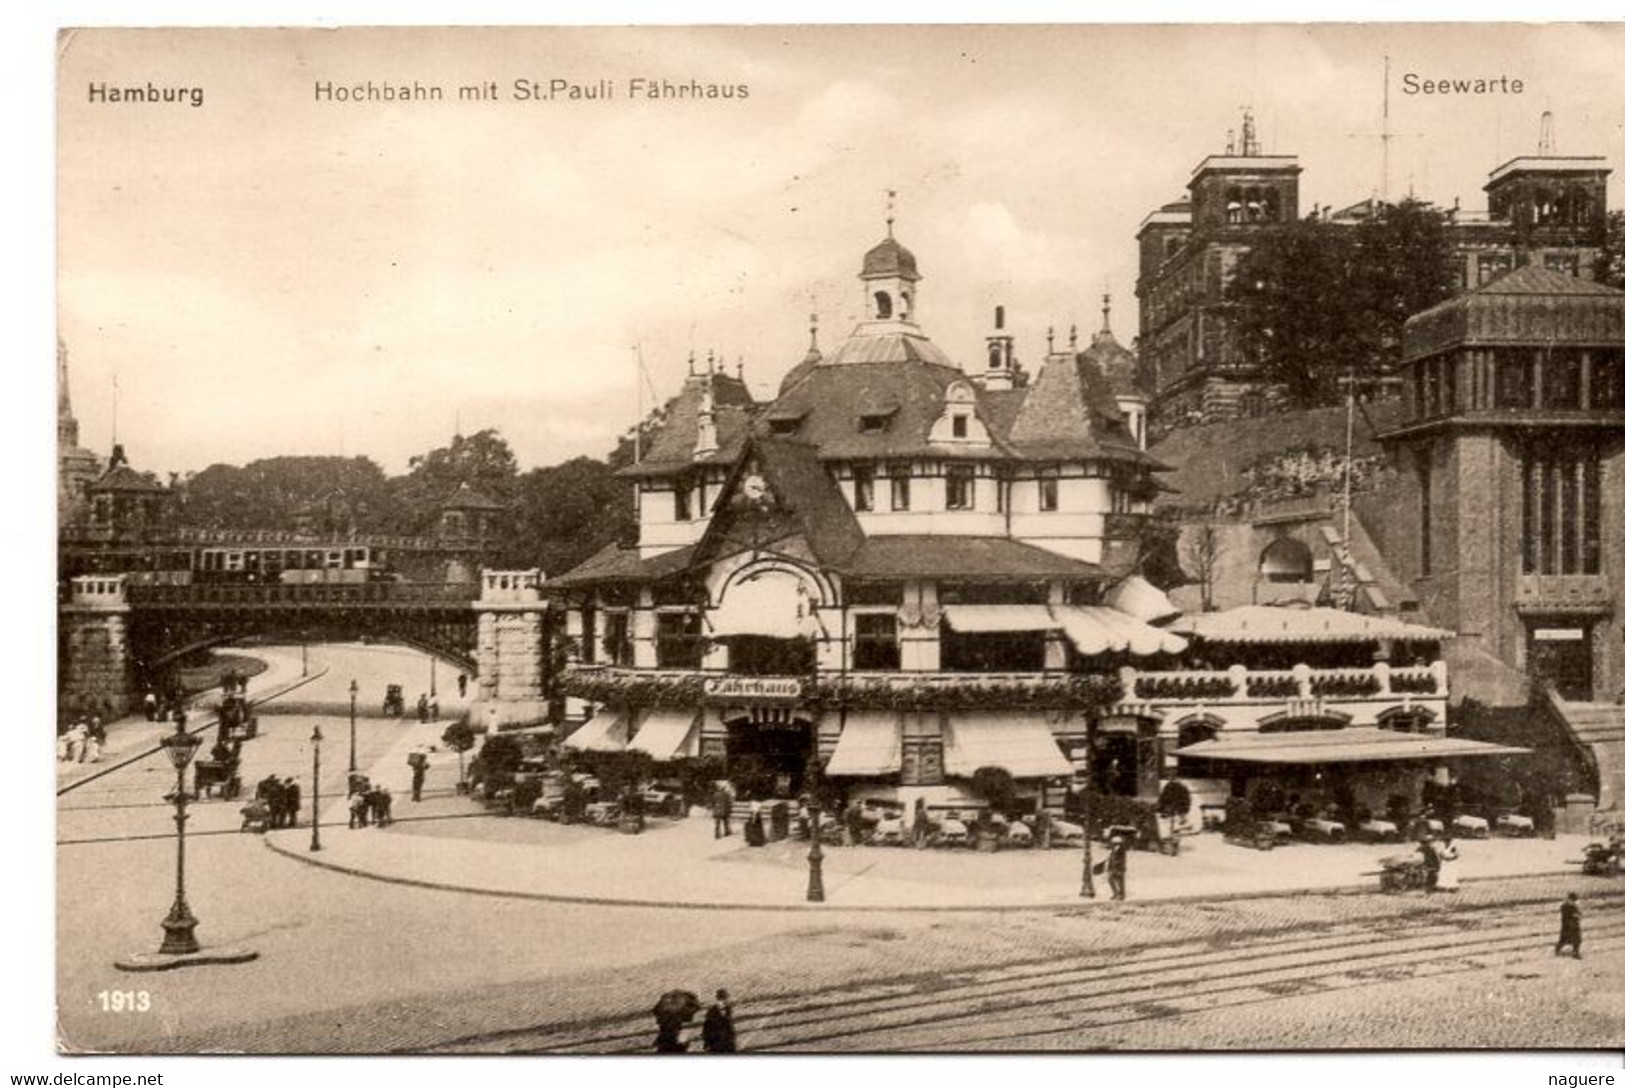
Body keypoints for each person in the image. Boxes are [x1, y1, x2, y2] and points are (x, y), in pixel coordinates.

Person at [1556, 893, 1583, 959]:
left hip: (1568, 926)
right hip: (1571, 926)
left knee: (1566, 939)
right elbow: (1578, 915)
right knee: (1574, 939)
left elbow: (1578, 914)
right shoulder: (1570, 907)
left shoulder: (1565, 906)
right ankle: (1575, 952)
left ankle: (1559, 949)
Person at [1104, 835, 1130, 901]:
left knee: (1120, 882)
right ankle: (1116, 893)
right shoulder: (1114, 850)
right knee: (1111, 879)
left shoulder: (1121, 850)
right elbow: (1111, 859)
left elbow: (1121, 860)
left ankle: (1121, 895)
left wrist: (1117, 864)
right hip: (1113, 868)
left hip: (1119, 868)